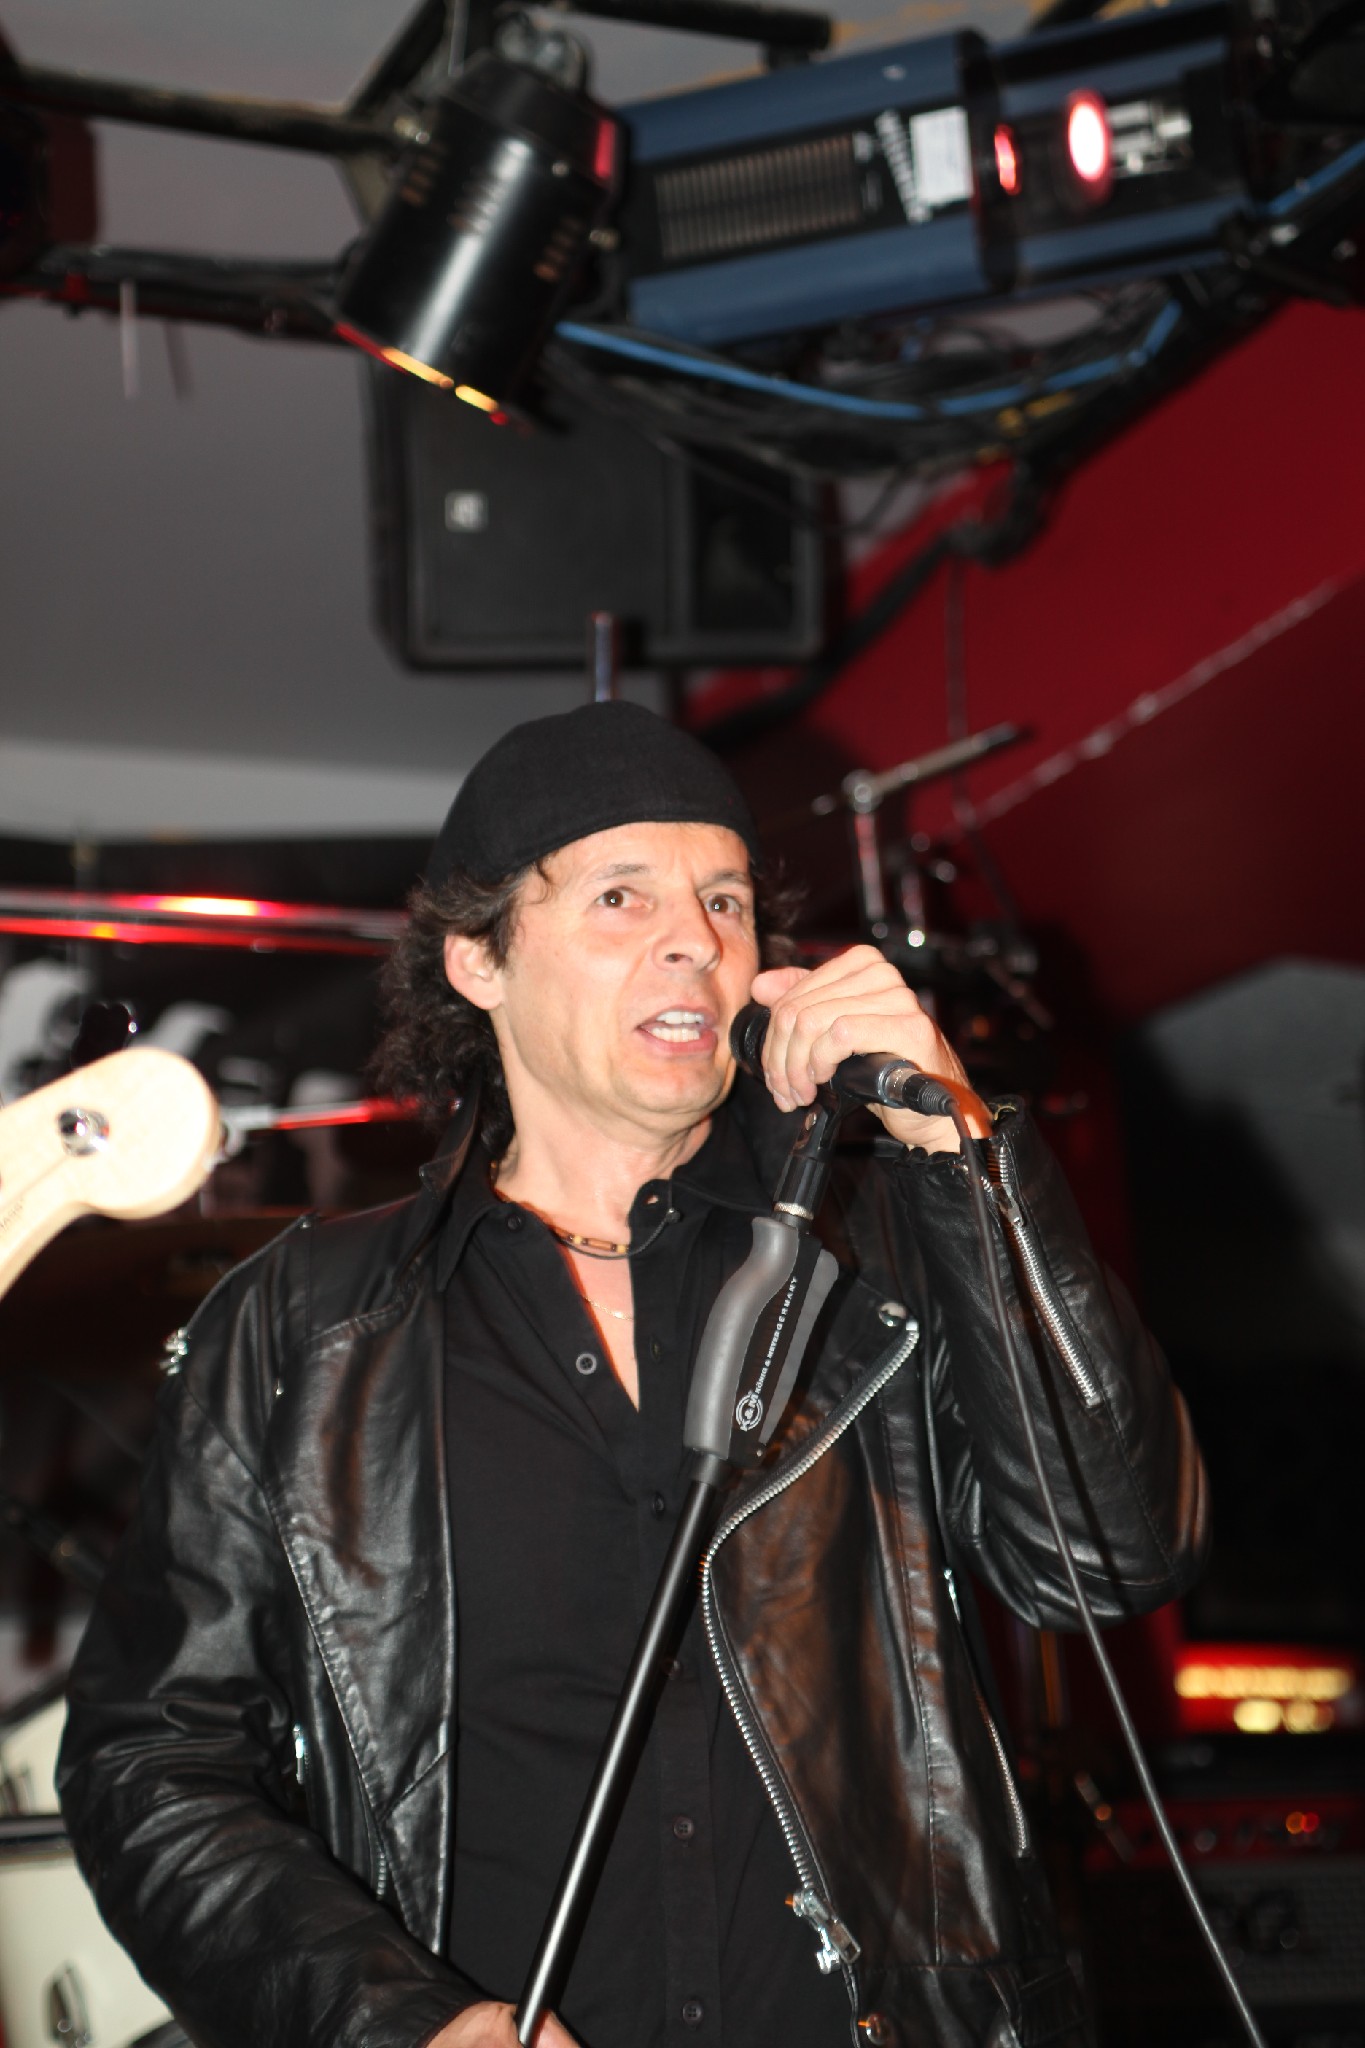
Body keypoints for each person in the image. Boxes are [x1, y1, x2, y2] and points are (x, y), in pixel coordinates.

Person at [59, 701, 1207, 2048]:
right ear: (479, 959)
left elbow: (1109, 1555)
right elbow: (154, 1762)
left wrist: (961, 1153)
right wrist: (397, 2024)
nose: (696, 940)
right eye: (621, 896)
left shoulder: (883, 1252)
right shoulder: (304, 1329)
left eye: (726, 901)